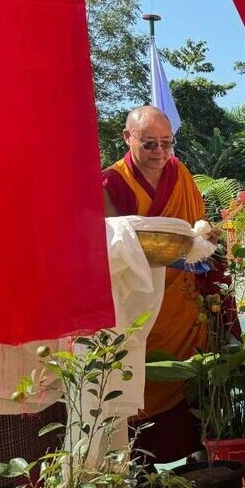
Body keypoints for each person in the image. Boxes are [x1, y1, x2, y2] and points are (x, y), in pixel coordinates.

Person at [101, 106, 217, 463]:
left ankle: (195, 463)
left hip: (180, 302)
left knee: (187, 385)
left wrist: (203, 242)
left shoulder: (179, 173)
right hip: (136, 300)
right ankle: (141, 469)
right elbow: (109, 245)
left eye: (167, 143)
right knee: (138, 379)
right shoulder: (110, 182)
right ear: (127, 138)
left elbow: (198, 224)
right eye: (149, 144)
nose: (160, 153)